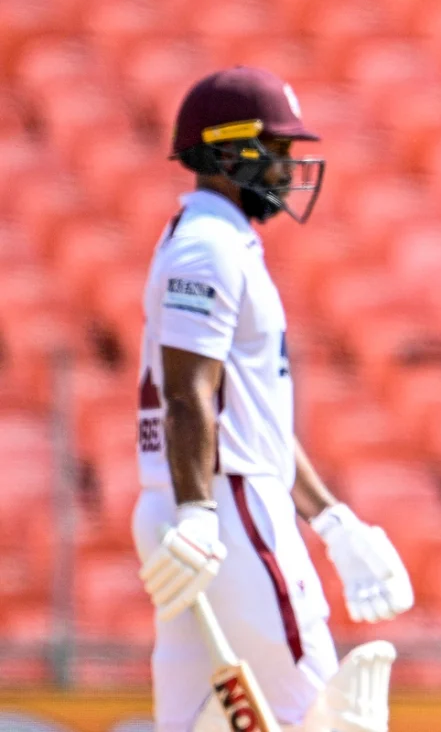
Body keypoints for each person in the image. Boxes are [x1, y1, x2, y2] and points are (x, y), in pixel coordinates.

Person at [131, 67, 414, 731]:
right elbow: (188, 394)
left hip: (200, 507)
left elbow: (241, 411)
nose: (290, 168)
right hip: (226, 510)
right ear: (230, 151)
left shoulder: (210, 240)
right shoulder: (208, 248)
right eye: (278, 151)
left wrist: (333, 522)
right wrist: (202, 512)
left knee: (197, 722)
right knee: (326, 718)